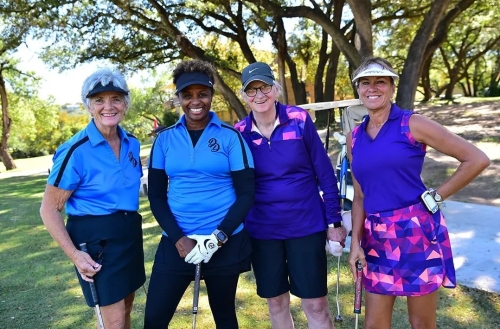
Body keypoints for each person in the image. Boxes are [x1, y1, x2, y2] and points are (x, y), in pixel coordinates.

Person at [346, 57, 491, 329]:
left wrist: (436, 197)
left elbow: (476, 158)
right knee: (374, 325)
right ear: (358, 88)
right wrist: (355, 243)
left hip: (415, 233)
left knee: (421, 323)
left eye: (380, 81)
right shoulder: (354, 137)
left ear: (391, 88)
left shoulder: (411, 123)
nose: (372, 88)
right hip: (375, 237)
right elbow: (360, 196)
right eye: (365, 82)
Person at [144, 59, 255, 328]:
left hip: (223, 241)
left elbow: (246, 193)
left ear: (211, 96)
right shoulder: (164, 139)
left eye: (202, 94)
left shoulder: (231, 137)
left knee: (225, 316)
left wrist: (218, 238)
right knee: (155, 318)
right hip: (176, 242)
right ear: (179, 98)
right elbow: (156, 196)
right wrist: (178, 239)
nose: (196, 101)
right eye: (188, 95)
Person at [235, 62, 347, 329]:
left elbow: (325, 173)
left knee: (316, 305)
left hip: (306, 226)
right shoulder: (238, 133)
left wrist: (334, 222)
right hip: (263, 231)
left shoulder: (298, 119)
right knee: (276, 303)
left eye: (264, 87)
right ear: (243, 95)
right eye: (251, 90)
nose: (259, 95)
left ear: (275, 89)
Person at [40, 68, 145, 329]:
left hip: (129, 232)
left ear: (126, 104)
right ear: (88, 106)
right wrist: (75, 255)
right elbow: (49, 209)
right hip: (95, 241)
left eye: (116, 99)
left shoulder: (132, 143)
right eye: (99, 100)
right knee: (113, 321)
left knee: (128, 307)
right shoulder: (75, 150)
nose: (108, 106)